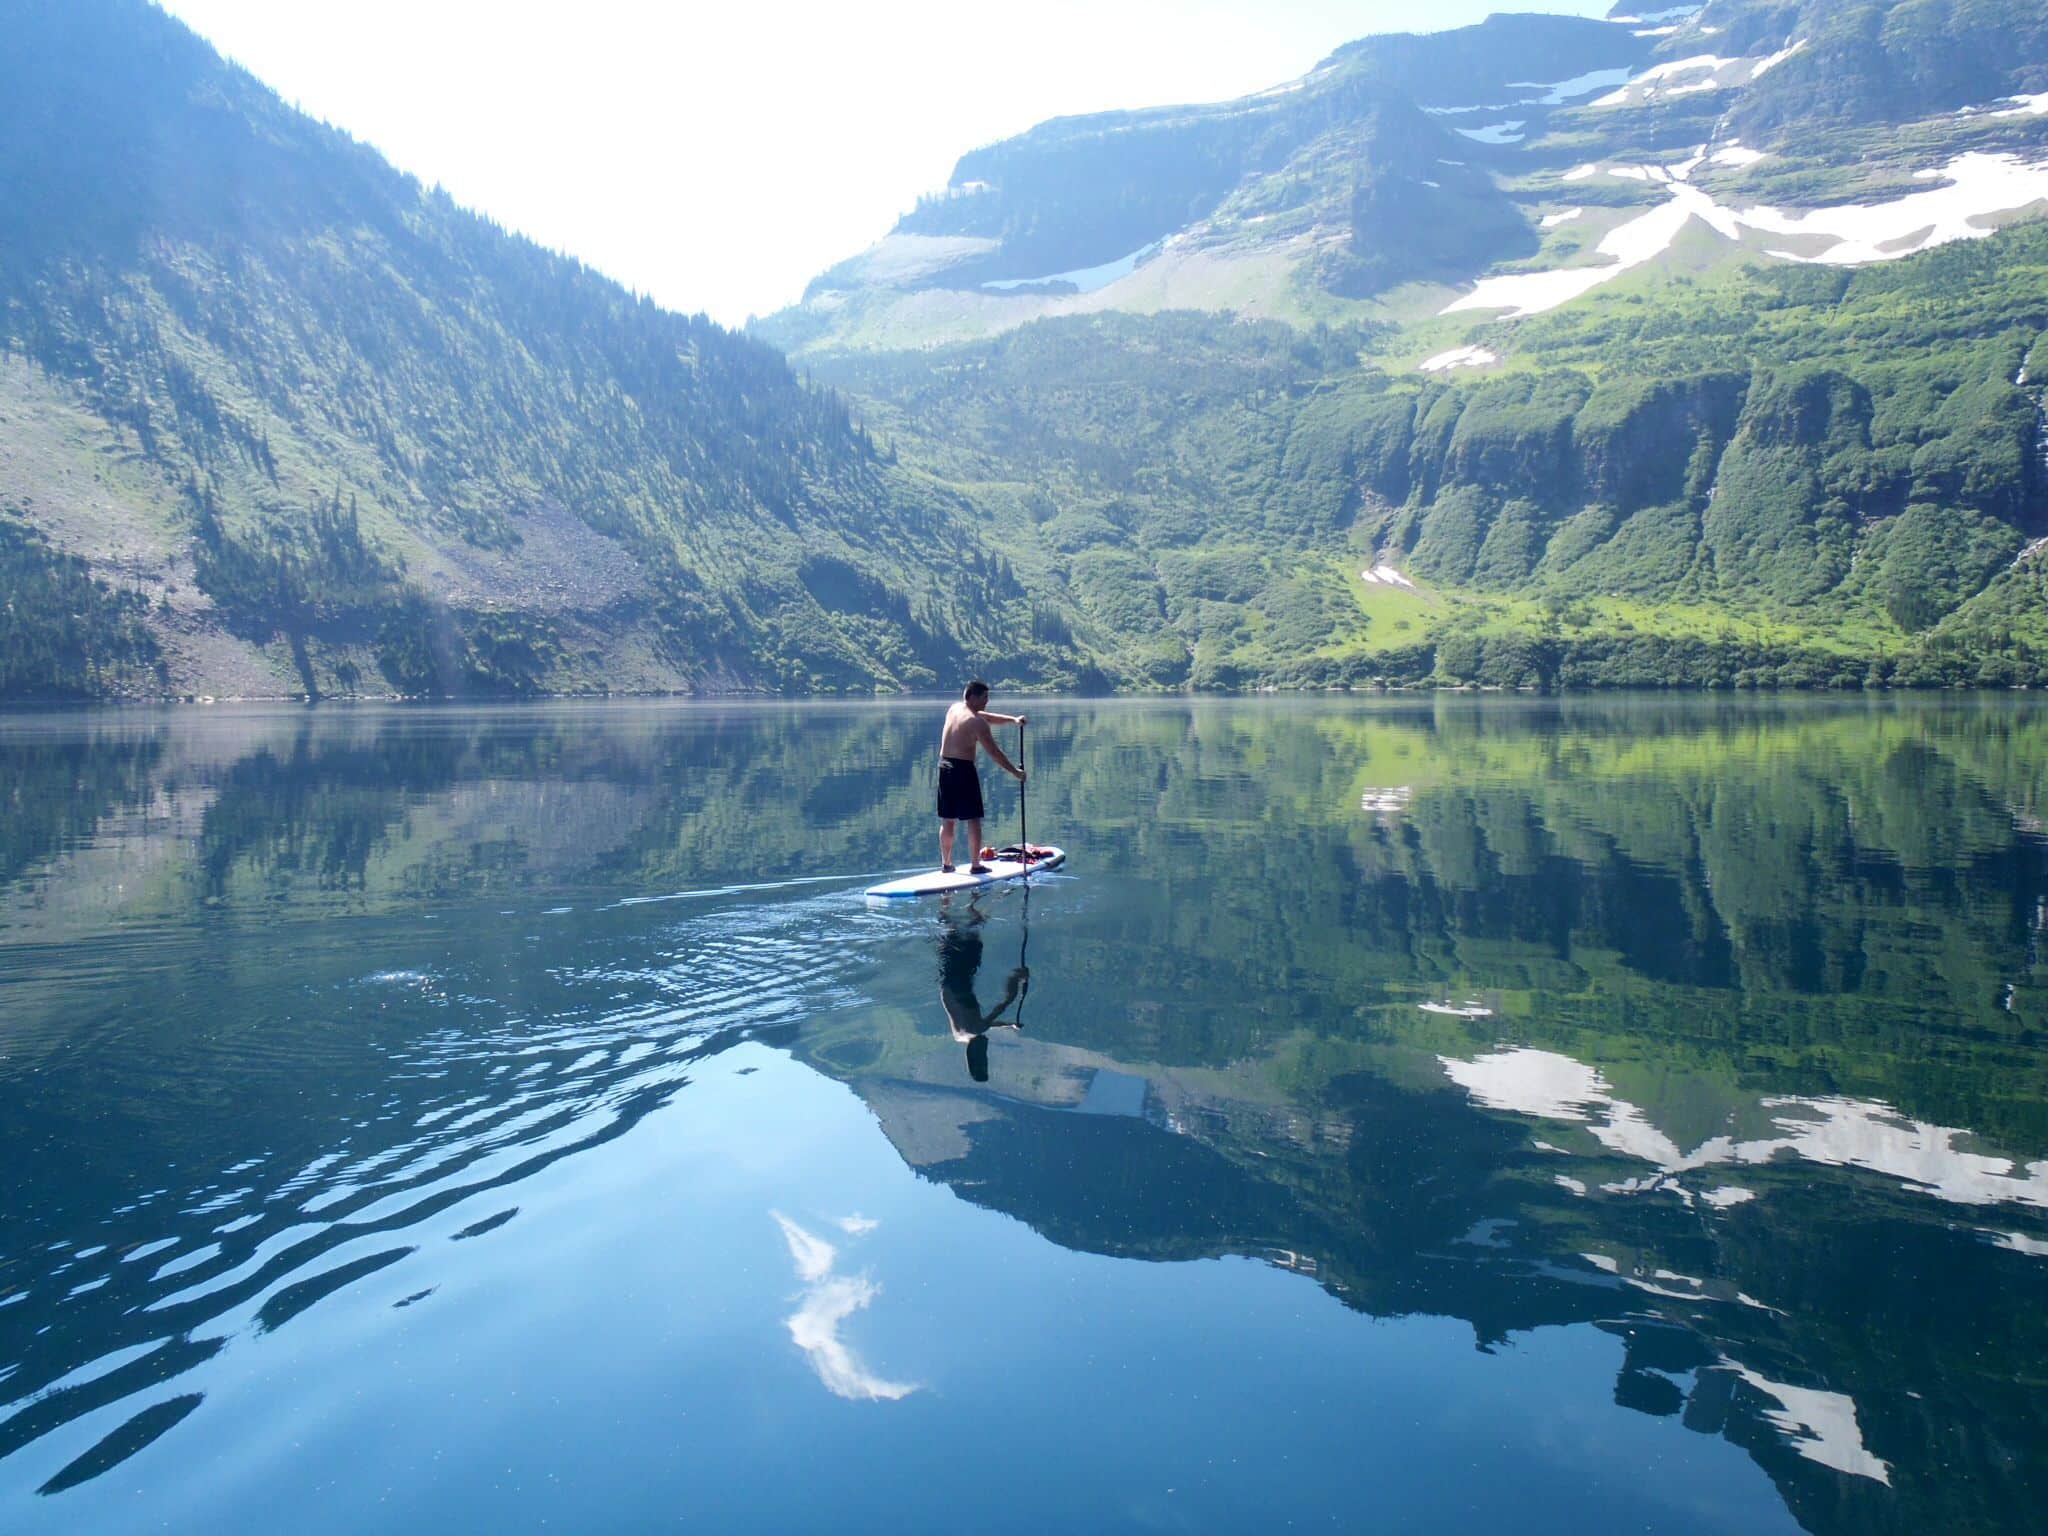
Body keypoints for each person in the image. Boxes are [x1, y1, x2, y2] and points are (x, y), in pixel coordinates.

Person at [936, 679, 1025, 874]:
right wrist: (1015, 772)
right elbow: (994, 752)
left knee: (948, 819)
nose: (987, 701)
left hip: (944, 767)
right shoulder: (976, 723)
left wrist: (1013, 720)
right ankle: (976, 866)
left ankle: (946, 864)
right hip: (962, 770)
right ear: (973, 697)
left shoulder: (955, 709)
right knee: (973, 818)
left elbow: (987, 717)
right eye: (984, 697)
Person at [937, 908, 1026, 1082]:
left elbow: (1004, 1003)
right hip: (947, 984)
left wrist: (1017, 978)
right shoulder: (960, 1037)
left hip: (960, 981)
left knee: (973, 942)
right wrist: (1008, 1025)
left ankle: (973, 906)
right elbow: (984, 1025)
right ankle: (946, 907)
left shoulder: (977, 1029)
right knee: (952, 942)